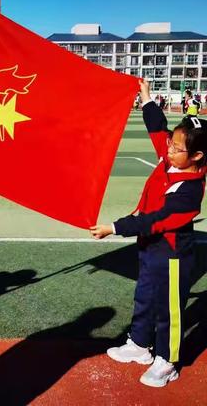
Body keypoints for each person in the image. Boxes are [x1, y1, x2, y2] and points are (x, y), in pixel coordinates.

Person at [90, 79, 207, 387]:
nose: (168, 148)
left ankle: (168, 361)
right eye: (170, 143)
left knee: (170, 310)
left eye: (177, 147)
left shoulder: (189, 192)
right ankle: (140, 345)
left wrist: (115, 227)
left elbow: (155, 220)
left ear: (196, 156)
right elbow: (157, 126)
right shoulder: (170, 153)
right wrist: (145, 97)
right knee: (144, 296)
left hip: (171, 254)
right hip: (150, 248)